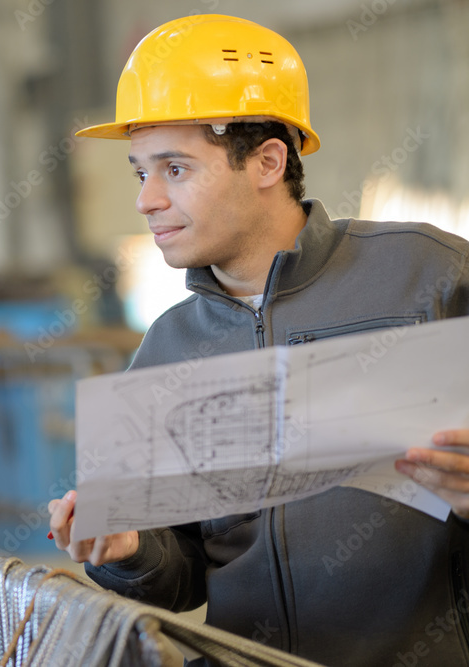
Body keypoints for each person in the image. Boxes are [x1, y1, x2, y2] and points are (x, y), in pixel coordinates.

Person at [48, 14, 469, 666]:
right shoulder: (168, 347)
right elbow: (181, 571)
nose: (147, 199)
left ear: (269, 160)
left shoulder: (429, 276)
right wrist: (128, 548)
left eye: (176, 168)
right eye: (140, 172)